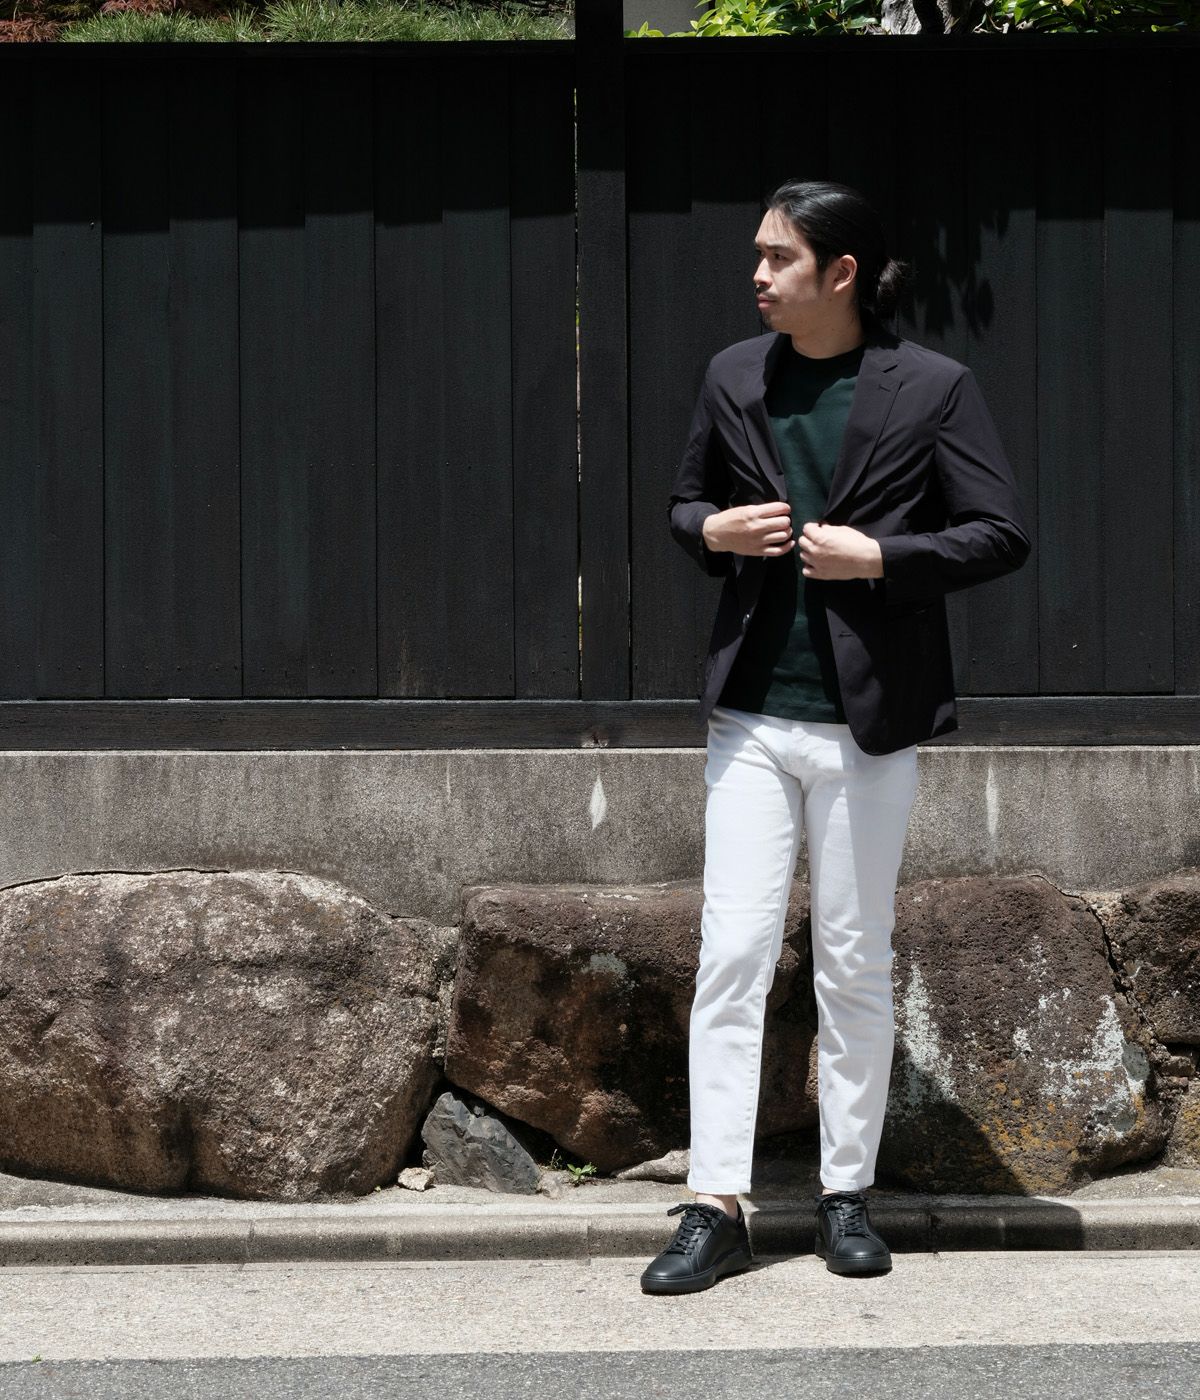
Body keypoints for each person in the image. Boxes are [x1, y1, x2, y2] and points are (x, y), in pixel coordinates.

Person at [640, 180, 1031, 1295]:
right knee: (732, 952)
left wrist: (884, 558)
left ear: (842, 273)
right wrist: (713, 531)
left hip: (870, 724)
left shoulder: (934, 387)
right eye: (758, 256)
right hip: (752, 716)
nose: (758, 275)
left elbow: (1000, 531)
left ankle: (844, 1194)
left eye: (779, 257)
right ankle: (715, 1204)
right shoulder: (733, 374)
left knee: (855, 959)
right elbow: (684, 508)